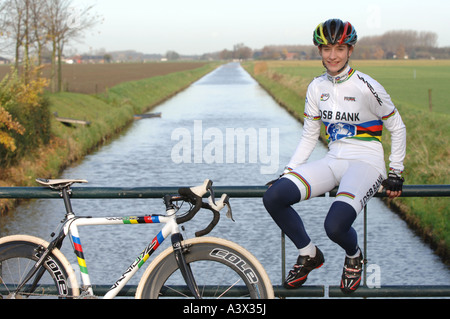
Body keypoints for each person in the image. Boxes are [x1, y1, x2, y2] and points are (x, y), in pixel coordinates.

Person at [263, 19, 406, 294]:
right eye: (326, 48)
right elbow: (309, 134)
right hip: (333, 159)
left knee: (335, 226)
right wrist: (289, 171)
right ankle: (309, 254)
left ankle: (353, 254)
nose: (332, 55)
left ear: (350, 49)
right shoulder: (316, 87)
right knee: (274, 197)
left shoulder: (366, 86)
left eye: (339, 47)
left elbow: (397, 127)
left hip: (367, 163)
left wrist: (395, 172)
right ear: (319, 50)